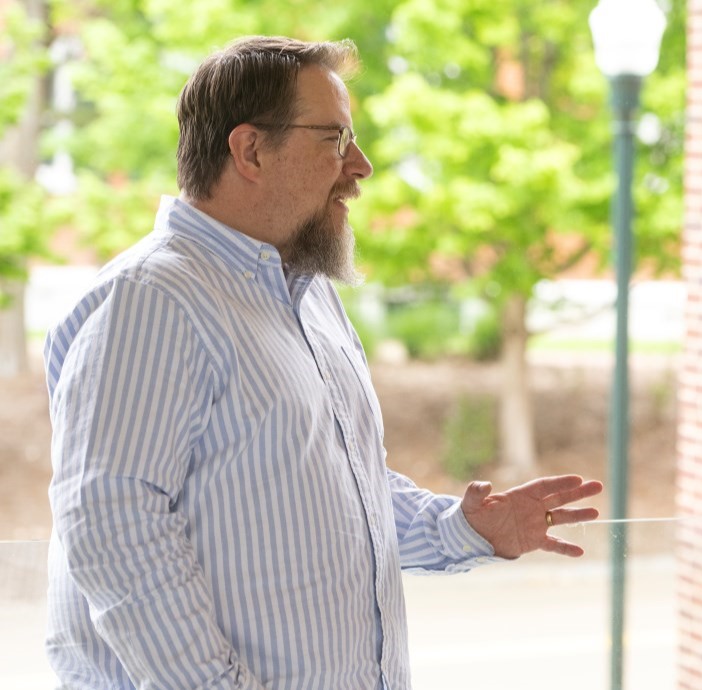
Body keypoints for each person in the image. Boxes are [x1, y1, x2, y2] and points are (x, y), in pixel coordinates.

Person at [44, 36, 603, 689]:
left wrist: (461, 528)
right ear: (250, 150)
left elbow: (334, 490)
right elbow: (112, 522)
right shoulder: (151, 301)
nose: (360, 166)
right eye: (333, 140)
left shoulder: (308, 300)